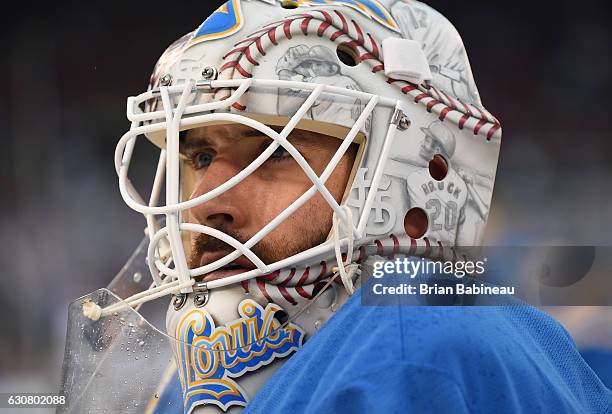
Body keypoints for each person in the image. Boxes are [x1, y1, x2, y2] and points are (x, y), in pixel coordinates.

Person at [59, 0, 612, 413]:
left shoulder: (414, 352)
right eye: (201, 155)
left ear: (415, 171)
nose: (208, 203)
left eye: (272, 153)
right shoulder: (234, 358)